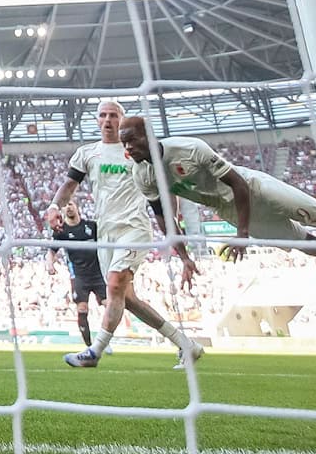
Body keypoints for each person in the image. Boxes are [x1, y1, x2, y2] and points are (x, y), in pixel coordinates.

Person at [44, 101, 203, 369]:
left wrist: (183, 254)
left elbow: (161, 206)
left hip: (134, 228)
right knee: (126, 298)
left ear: (122, 120)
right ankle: (187, 345)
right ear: (96, 121)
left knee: (115, 284)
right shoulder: (88, 154)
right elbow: (69, 185)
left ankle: (94, 351)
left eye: (114, 115)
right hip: (106, 235)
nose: (108, 120)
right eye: (103, 115)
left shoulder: (137, 154)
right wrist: (53, 207)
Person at [117, 115, 316, 273]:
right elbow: (165, 219)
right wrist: (184, 258)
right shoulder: (141, 175)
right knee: (306, 244)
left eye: (132, 140)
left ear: (148, 135)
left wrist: (242, 234)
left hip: (254, 188)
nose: (128, 148)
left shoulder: (189, 148)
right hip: (228, 209)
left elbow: (238, 184)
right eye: (124, 144)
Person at [44, 199, 110, 352]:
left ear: (77, 207)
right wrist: (50, 264)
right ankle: (89, 347)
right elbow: (51, 251)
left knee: (109, 306)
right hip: (79, 276)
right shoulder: (61, 231)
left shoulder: (91, 226)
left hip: (98, 274)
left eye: (71, 204)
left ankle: (104, 340)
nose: (68, 208)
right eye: (65, 205)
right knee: (82, 309)